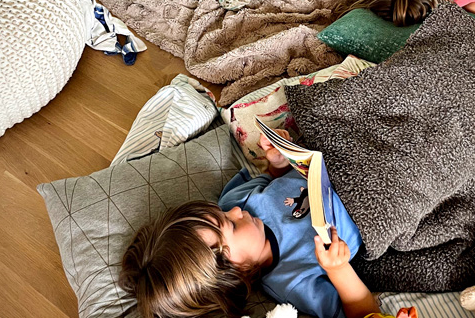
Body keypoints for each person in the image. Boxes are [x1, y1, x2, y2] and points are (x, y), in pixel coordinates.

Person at [119, 129, 378, 318]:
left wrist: (277, 162)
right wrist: (339, 270)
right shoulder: (292, 283)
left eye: (221, 213)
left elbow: (272, 179)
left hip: (343, 156)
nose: (234, 211)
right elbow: (361, 312)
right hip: (373, 203)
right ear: (237, 271)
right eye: (229, 225)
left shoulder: (238, 200)